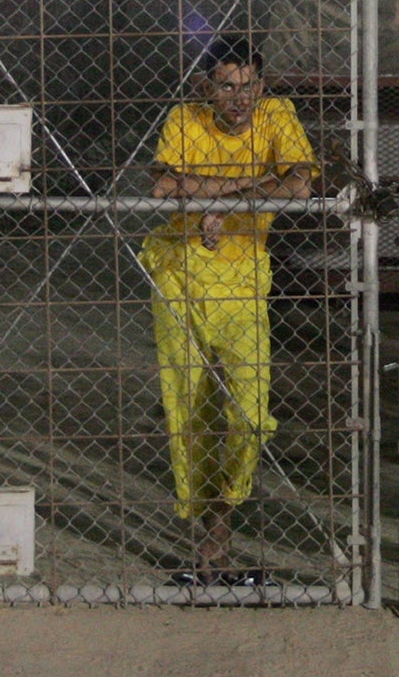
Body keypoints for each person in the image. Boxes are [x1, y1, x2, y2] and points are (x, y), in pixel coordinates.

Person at [143, 37, 316, 585]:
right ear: (206, 89)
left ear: (261, 88)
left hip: (242, 278)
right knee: (189, 408)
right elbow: (164, 184)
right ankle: (210, 545)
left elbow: (299, 184)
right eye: (225, 86)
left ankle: (221, 521)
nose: (238, 99)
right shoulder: (185, 119)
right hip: (179, 274)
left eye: (247, 87)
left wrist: (219, 201)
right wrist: (245, 184)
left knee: (248, 410)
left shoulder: (278, 115)